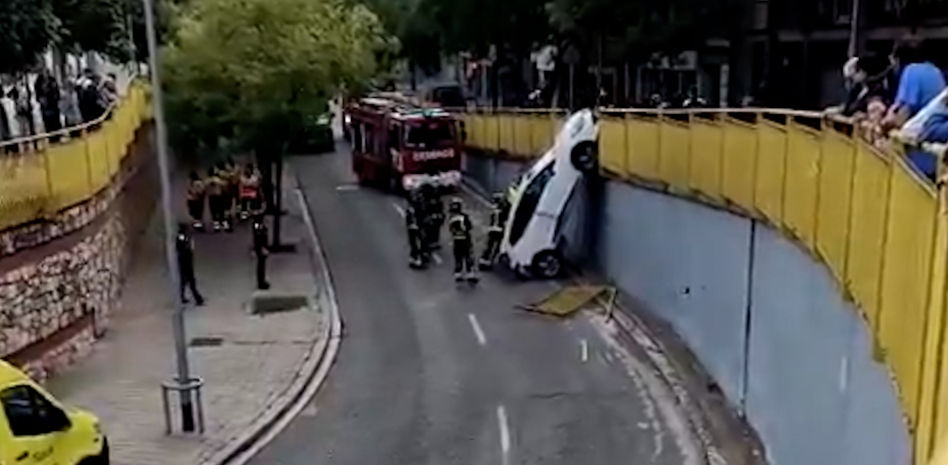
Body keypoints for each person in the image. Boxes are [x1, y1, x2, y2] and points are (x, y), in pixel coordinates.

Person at [448, 198, 477, 283]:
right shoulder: (464, 216)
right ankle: (470, 273)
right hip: (465, 239)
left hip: (456, 240)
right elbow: (469, 227)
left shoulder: (451, 217)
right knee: (468, 256)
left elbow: (451, 229)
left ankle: (458, 273)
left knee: (458, 257)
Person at [175, 223, 205, 306]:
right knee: (190, 282)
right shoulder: (183, 237)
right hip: (186, 261)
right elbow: (181, 246)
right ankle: (198, 299)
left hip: (185, 261)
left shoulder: (184, 237)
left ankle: (183, 297)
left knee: (184, 282)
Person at [479, 193, 510, 270]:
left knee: (489, 246)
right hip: (498, 230)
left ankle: (484, 260)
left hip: (492, 229)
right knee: (495, 247)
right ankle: (488, 262)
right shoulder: (502, 210)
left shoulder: (494, 209)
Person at [405, 189, 429, 269]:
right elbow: (420, 217)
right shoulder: (416, 208)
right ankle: (418, 259)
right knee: (419, 243)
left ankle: (415, 258)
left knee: (415, 243)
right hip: (416, 227)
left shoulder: (412, 208)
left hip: (414, 227)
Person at [35, 70, 62, 135]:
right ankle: (50, 136)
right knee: (48, 122)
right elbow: (38, 95)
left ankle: (58, 135)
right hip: (45, 106)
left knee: (56, 121)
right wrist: (41, 100)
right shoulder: (38, 82)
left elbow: (57, 91)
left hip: (53, 104)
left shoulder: (52, 80)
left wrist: (57, 98)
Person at [420, 184, 444, 251]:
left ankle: (433, 242)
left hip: (434, 218)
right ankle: (428, 242)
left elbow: (440, 210)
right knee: (428, 230)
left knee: (435, 229)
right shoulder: (425, 202)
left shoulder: (437, 202)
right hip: (429, 218)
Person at [252, 214, 271, 290]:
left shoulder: (257, 225)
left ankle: (262, 281)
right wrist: (262, 247)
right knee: (261, 265)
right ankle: (261, 282)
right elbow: (259, 236)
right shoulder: (258, 225)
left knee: (261, 265)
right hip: (260, 247)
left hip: (260, 247)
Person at [206, 166, 226, 232]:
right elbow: (224, 184)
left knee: (213, 211)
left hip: (211, 197)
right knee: (220, 210)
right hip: (218, 197)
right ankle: (222, 223)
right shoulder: (217, 179)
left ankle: (216, 225)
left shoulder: (207, 181)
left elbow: (204, 188)